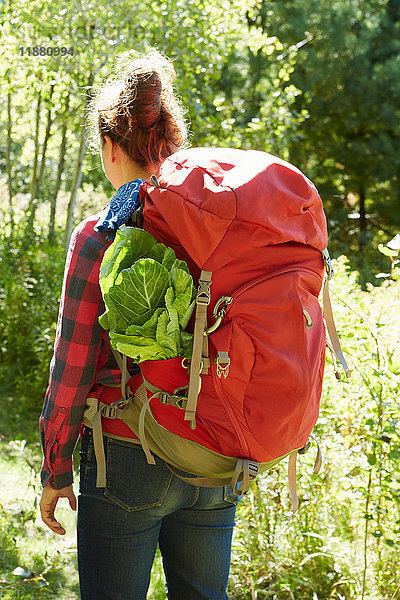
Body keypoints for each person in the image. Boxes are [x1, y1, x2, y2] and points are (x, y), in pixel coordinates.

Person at [39, 50, 240, 600]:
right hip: (216, 454)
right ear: (170, 140)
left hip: (126, 454)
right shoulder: (220, 228)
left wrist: (55, 467)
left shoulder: (100, 235)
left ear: (109, 144)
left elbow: (72, 365)